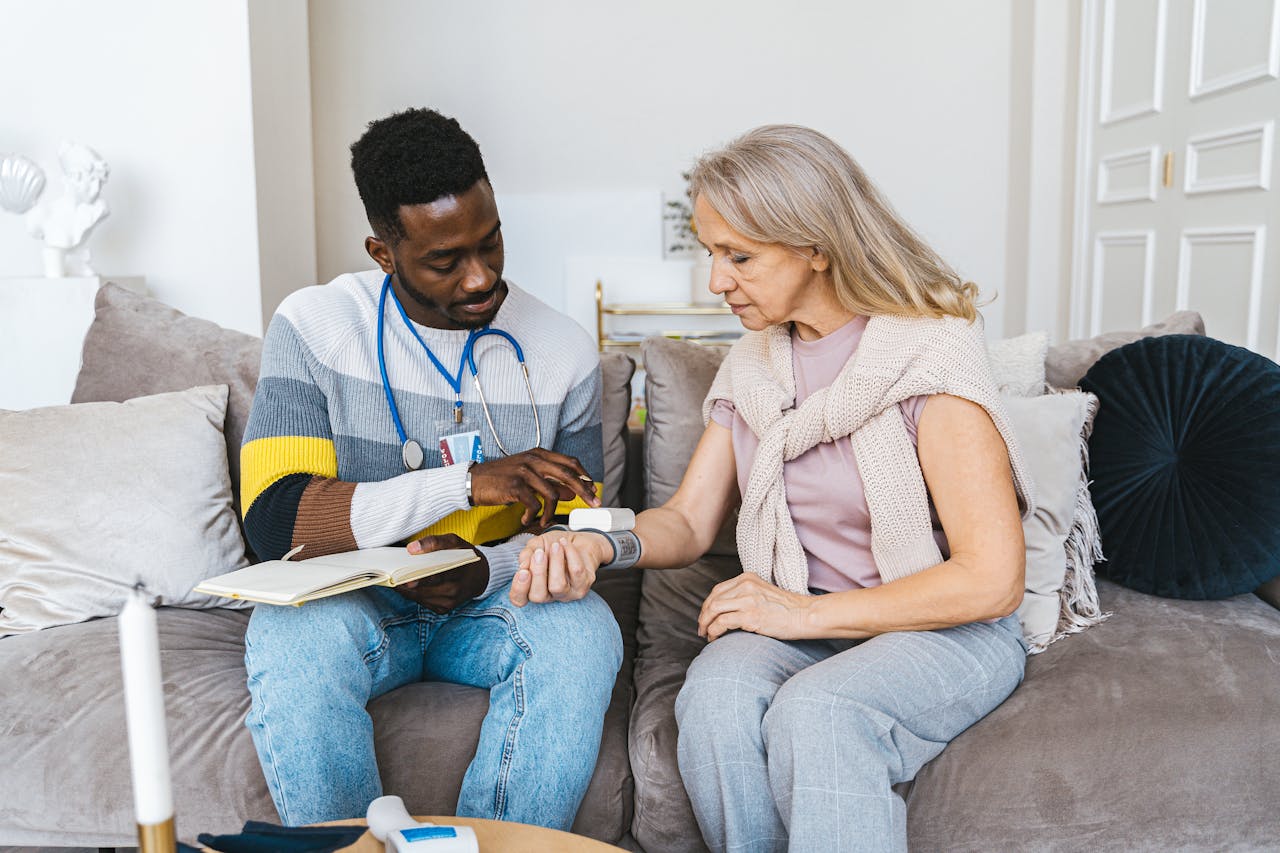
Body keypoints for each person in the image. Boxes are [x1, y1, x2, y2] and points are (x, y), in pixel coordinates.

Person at [515, 125, 1035, 852]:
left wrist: (798, 614)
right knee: (716, 699)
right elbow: (689, 523)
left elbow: (992, 579)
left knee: (819, 711)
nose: (716, 281)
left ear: (816, 246)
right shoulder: (752, 365)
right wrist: (599, 541)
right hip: (808, 619)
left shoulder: (928, 355)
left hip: (941, 628)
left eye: (739, 257)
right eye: (711, 253)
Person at [239, 107, 623, 828]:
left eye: (491, 241)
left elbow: (583, 536)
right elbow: (276, 521)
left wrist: (485, 567)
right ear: (383, 252)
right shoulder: (315, 326)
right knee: (291, 637)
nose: (480, 277)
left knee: (584, 628)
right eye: (445, 261)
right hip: (355, 604)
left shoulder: (564, 350)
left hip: (489, 605)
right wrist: (464, 483)